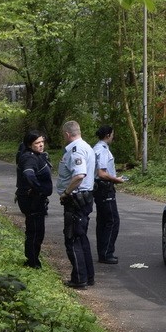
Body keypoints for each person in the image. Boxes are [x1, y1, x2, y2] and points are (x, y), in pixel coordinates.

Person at [57, 120, 96, 289]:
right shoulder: (86, 146)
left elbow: (79, 175)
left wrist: (66, 193)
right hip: (84, 198)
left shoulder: (76, 150)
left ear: (67, 134)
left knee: (72, 239)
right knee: (81, 238)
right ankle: (88, 276)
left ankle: (79, 278)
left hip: (76, 199)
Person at [15, 130, 53, 268]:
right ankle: (32, 262)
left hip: (36, 199)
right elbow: (28, 173)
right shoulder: (29, 158)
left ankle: (32, 259)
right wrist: (38, 188)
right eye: (37, 143)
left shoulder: (37, 155)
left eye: (42, 142)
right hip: (31, 200)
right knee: (35, 231)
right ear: (30, 144)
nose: (41, 145)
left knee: (36, 230)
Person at [92, 125, 124, 264]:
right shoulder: (103, 150)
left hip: (99, 188)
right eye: (112, 134)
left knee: (103, 221)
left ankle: (103, 252)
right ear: (108, 135)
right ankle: (107, 253)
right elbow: (102, 173)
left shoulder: (96, 148)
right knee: (112, 221)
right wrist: (116, 179)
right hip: (104, 188)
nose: (113, 136)